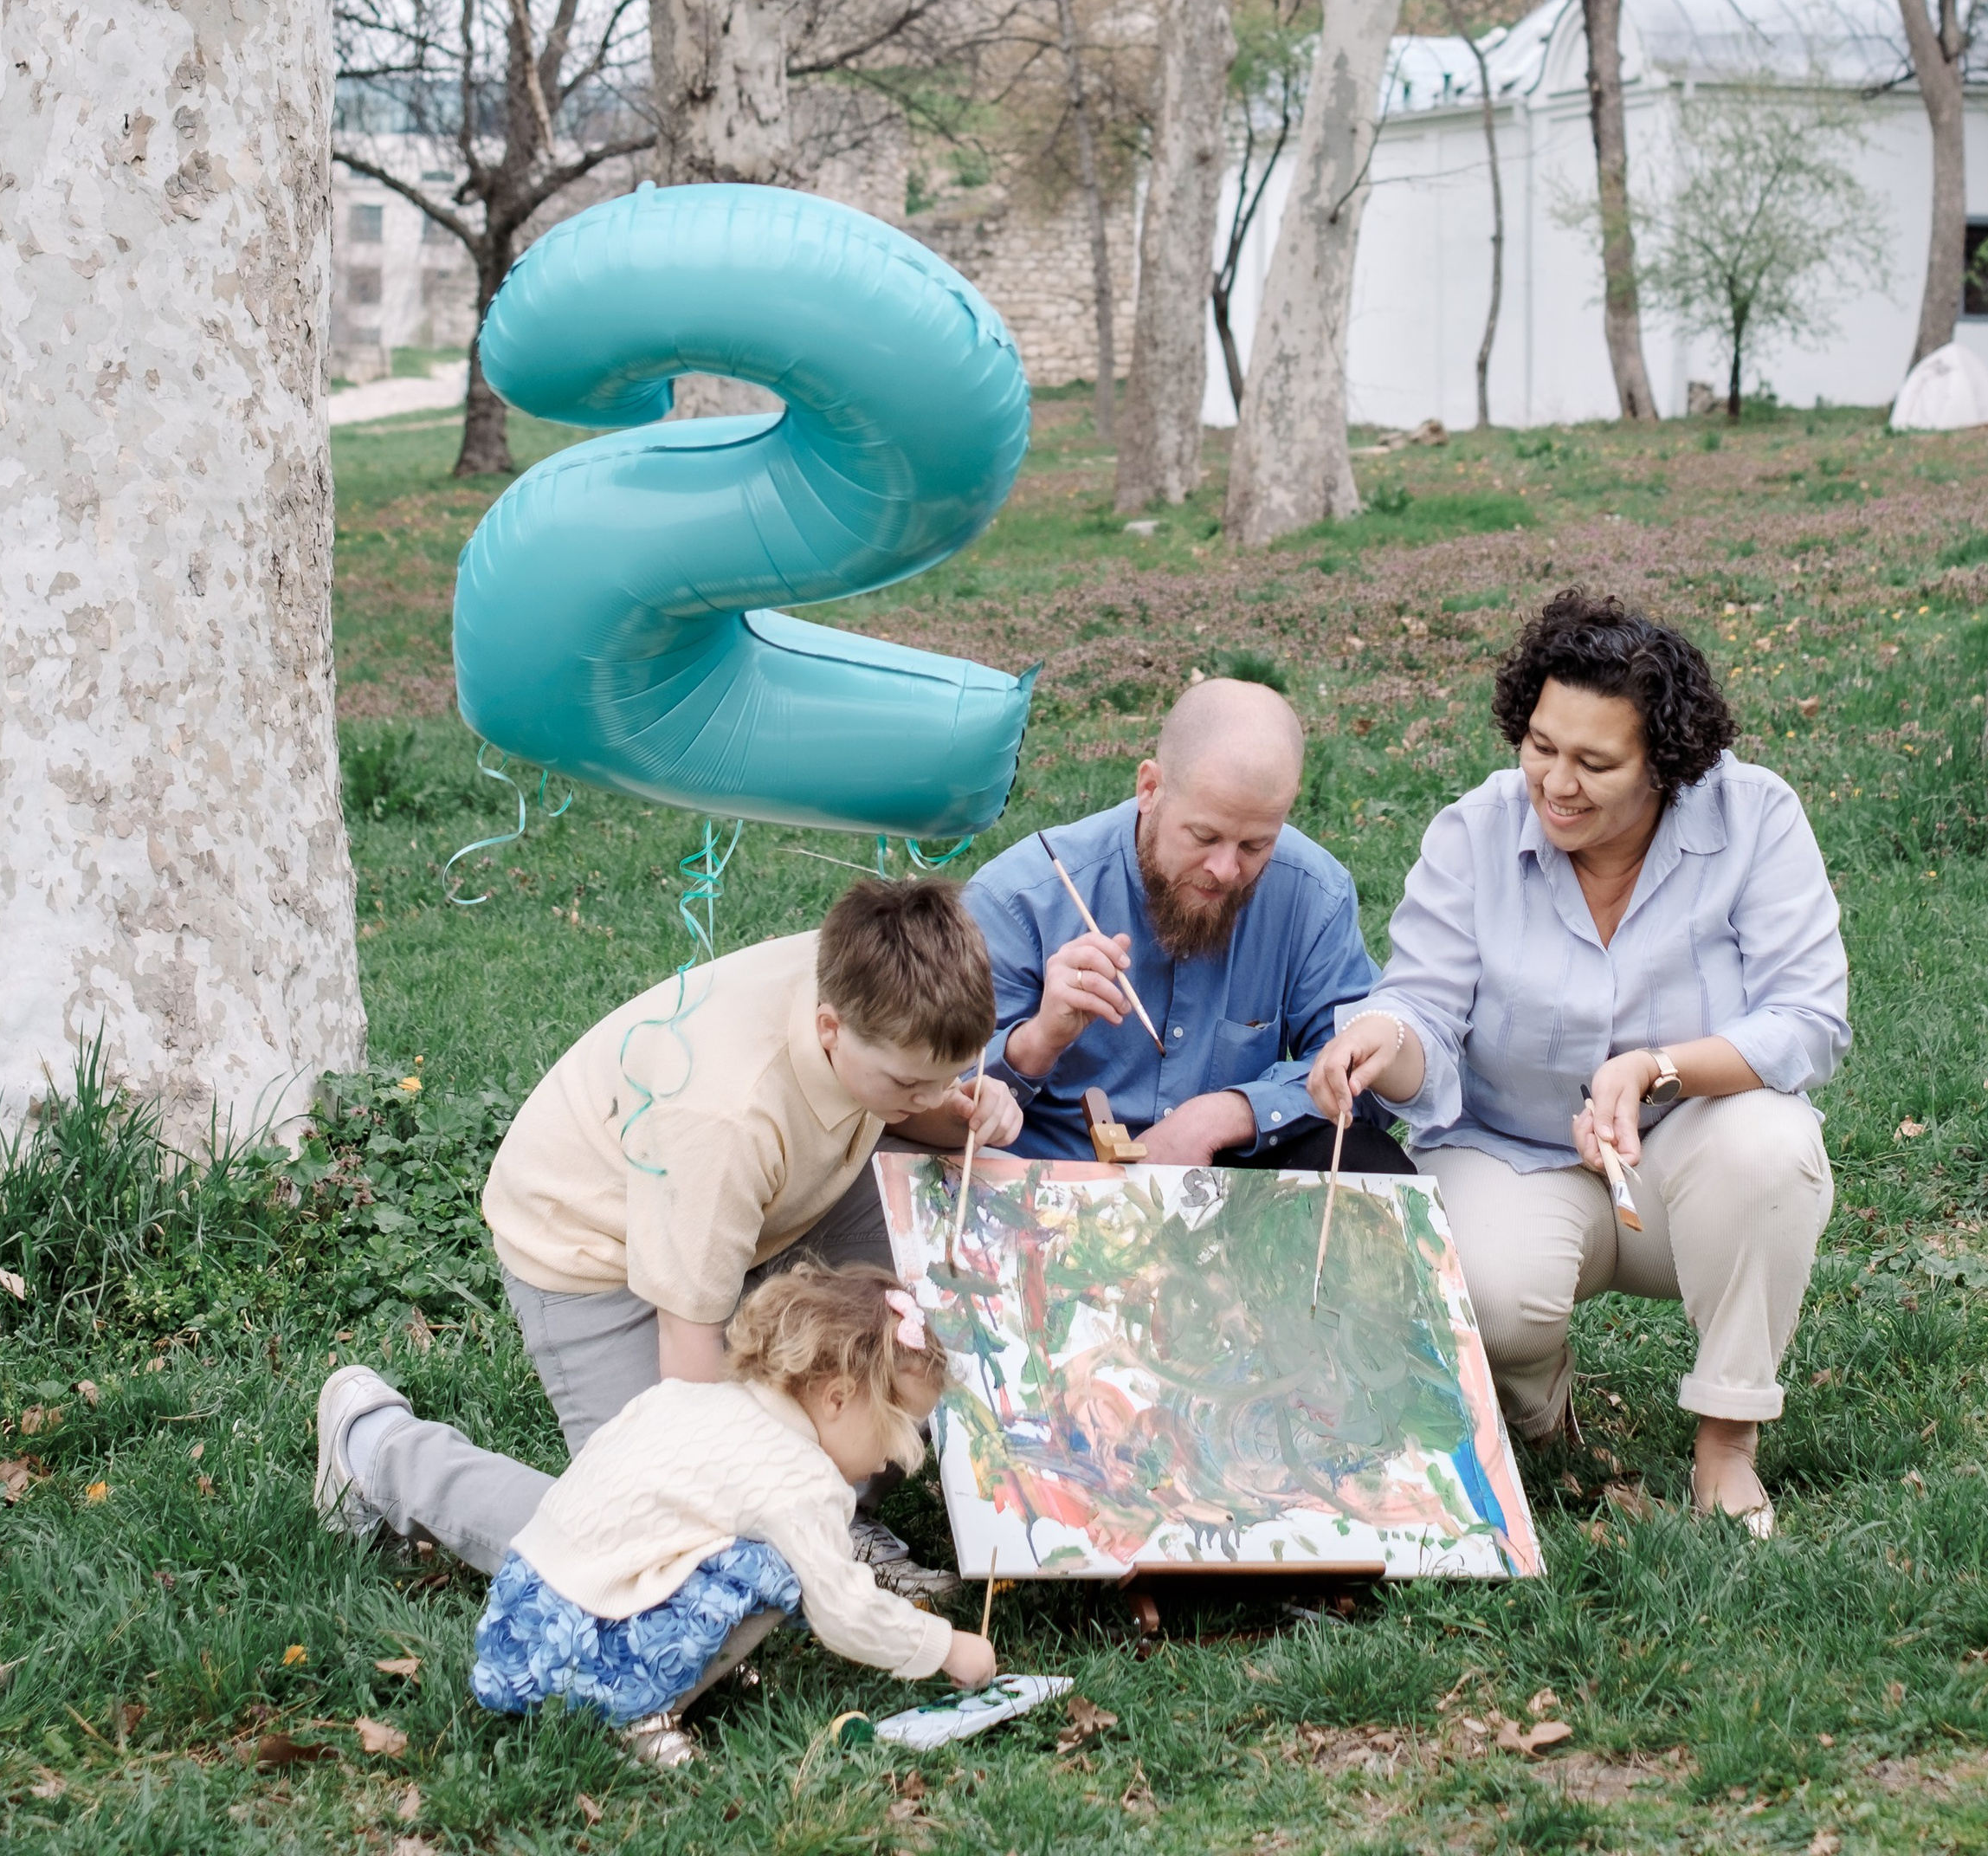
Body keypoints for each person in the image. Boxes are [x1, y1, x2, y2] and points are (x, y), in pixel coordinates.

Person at [1307, 588, 1849, 1535]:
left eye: (1596, 762)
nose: (1556, 783)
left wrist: (1657, 1068)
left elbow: (1807, 1019)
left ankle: (1725, 1443)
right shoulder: (1472, 833)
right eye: (1541, 747)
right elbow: (1422, 1009)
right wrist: (1378, 1040)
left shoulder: (1755, 816)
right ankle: (1537, 1408)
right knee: (1487, 1290)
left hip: (1688, 1165)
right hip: (1510, 1152)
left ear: (1665, 769)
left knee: (1773, 1147)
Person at [316, 875, 1019, 1583]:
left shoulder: (883, 991)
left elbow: (914, 1104)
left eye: (954, 1074)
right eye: (909, 1085)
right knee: (656, 1536)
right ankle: (377, 1449)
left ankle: (834, 1507)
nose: (934, 1098)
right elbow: (689, 1371)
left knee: (932, 1287)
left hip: (763, 1205)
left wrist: (971, 1108)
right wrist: (724, 1522)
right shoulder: (722, 1116)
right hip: (595, 1247)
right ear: (830, 1029)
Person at [468, 1265, 996, 1773]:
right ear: (838, 1397)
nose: (894, 1459)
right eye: (899, 1428)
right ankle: (638, 1714)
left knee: (736, 1548)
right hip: (584, 1654)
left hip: (518, 1625)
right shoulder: (800, 1477)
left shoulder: (692, 1401)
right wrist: (946, 1647)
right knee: (777, 1570)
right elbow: (843, 1607)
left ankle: (690, 1669)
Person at [965, 676, 1406, 1174]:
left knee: (1365, 1160)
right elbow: (930, 1097)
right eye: (1204, 835)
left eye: (1254, 845)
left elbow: (1365, 1075)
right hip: (1048, 1194)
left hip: (1227, 1194)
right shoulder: (1022, 898)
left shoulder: (1311, 893)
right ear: (1149, 789)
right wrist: (1040, 1039)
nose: (1225, 869)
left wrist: (1226, 1114)